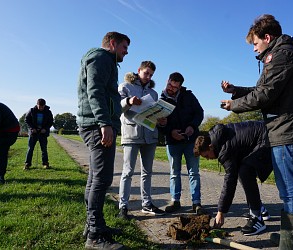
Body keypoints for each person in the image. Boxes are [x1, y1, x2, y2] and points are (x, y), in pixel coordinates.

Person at [220, 14, 293, 249]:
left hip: (289, 133)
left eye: (255, 43)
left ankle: (290, 244)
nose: (254, 49)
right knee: (289, 190)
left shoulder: (281, 55)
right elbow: (264, 89)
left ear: (267, 37)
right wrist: (236, 91)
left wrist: (235, 106)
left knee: (291, 191)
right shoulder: (287, 54)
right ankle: (289, 236)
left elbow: (264, 95)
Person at [77, 31, 130, 250]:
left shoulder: (105, 60)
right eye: (124, 47)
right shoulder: (100, 58)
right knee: (102, 178)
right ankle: (95, 236)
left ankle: (93, 226)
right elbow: (95, 91)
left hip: (95, 123)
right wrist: (104, 123)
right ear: (112, 43)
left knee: (94, 178)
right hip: (97, 124)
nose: (126, 52)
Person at [193, 121, 273, 236]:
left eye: (206, 155)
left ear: (210, 146)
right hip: (262, 135)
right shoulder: (217, 138)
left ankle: (257, 218)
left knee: (245, 172)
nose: (208, 159)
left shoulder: (224, 149)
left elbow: (230, 183)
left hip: (267, 139)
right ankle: (260, 209)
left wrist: (221, 212)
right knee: (242, 171)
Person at [117, 61, 166, 220]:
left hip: (150, 136)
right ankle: (123, 206)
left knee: (147, 172)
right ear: (139, 70)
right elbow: (117, 107)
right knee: (128, 172)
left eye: (151, 75)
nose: (148, 77)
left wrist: (160, 120)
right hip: (131, 133)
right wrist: (129, 101)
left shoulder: (153, 93)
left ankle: (147, 204)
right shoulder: (124, 86)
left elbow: (153, 114)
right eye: (146, 73)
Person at [159, 72, 205, 215]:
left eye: (175, 88)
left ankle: (196, 203)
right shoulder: (160, 100)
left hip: (191, 141)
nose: (171, 89)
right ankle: (175, 201)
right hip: (172, 142)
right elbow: (159, 123)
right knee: (174, 172)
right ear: (167, 81)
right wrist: (170, 132)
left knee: (194, 172)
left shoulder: (189, 96)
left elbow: (199, 113)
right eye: (170, 85)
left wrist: (192, 126)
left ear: (180, 87)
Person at [24, 98, 54, 170]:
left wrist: (45, 129)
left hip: (43, 133)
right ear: (37, 104)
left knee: (44, 149)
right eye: (39, 106)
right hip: (33, 133)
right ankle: (27, 164)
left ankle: (45, 164)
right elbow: (27, 120)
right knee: (30, 149)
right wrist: (32, 128)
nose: (41, 108)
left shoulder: (48, 112)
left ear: (44, 105)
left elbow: (50, 122)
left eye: (42, 107)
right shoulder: (31, 111)